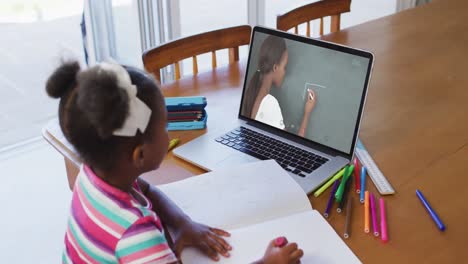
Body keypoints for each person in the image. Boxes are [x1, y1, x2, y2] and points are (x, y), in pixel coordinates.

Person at [46, 61, 303, 263]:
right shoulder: (137, 236)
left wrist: (182, 224)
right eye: (165, 127)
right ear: (140, 155)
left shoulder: (93, 176)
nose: (169, 135)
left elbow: (147, 190)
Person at [241, 35, 316, 137]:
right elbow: (292, 149)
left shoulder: (253, 92)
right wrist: (307, 113)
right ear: (275, 67)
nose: (285, 72)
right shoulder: (270, 103)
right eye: (284, 67)